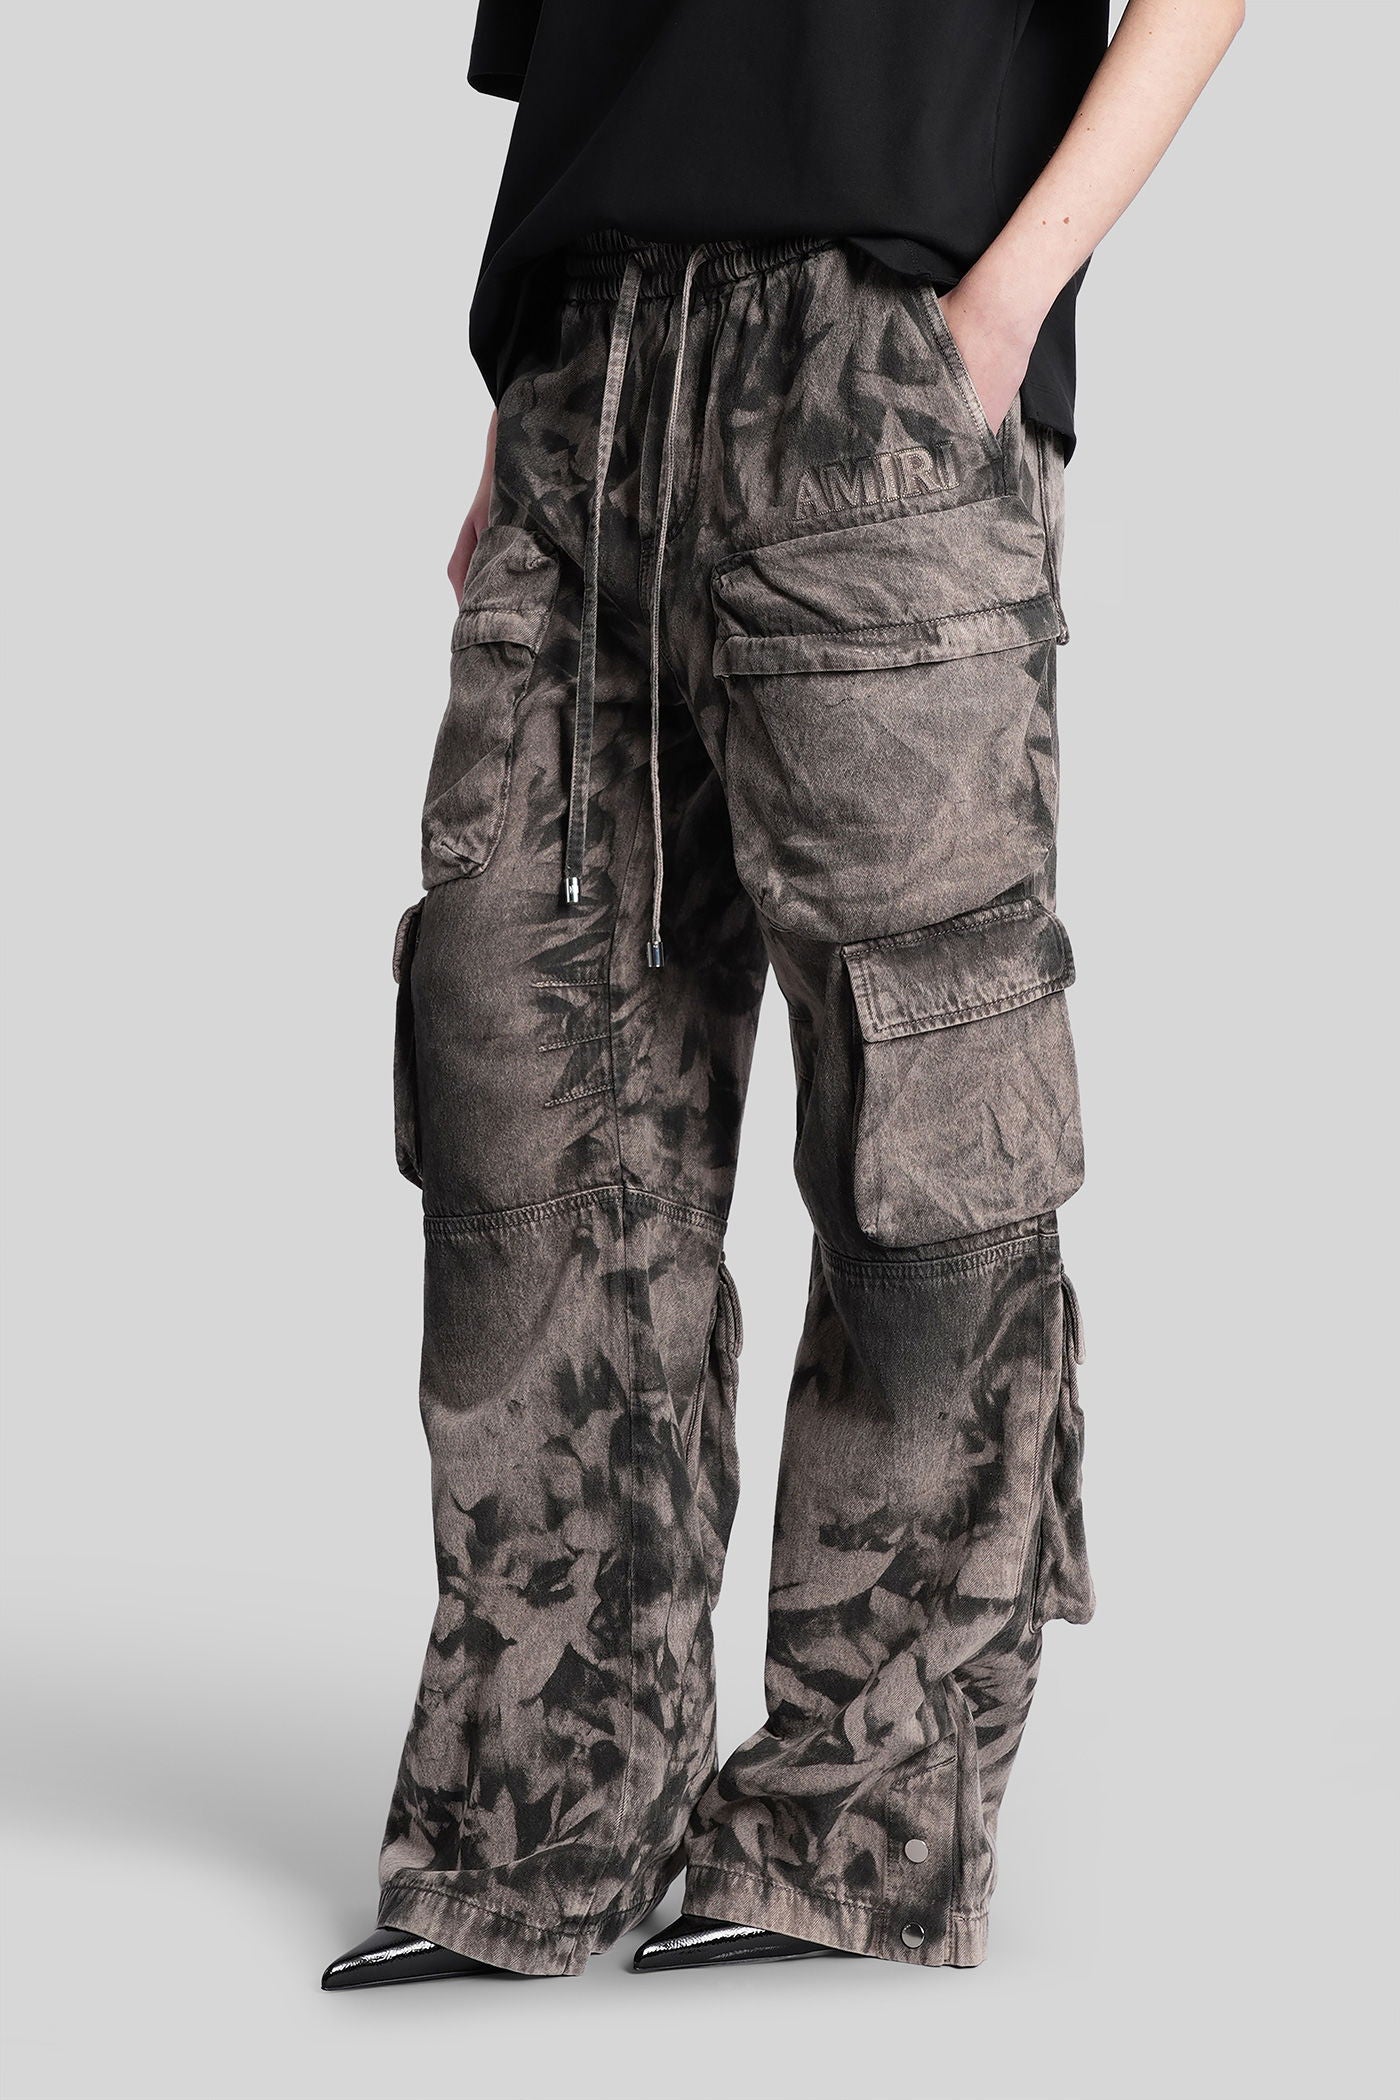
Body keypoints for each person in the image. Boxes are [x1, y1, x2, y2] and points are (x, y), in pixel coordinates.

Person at [323, 0, 1243, 1990]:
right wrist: (528, 389)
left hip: (878, 359)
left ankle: (855, 1828)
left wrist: (1001, 309)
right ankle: (541, 1831)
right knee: (518, 1103)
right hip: (583, 379)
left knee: (926, 1144)